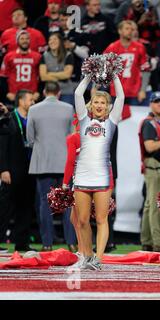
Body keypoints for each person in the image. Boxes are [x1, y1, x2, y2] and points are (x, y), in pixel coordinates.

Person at [73, 73, 124, 270]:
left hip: (102, 177)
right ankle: (86, 255)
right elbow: (78, 93)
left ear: (108, 106)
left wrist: (114, 76)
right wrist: (87, 75)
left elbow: (121, 97)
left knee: (102, 219)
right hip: (83, 176)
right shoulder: (84, 120)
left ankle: (98, 258)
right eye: (96, 102)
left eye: (103, 102)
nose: (100, 105)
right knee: (83, 220)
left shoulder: (112, 123)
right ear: (91, 104)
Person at [26, 81, 76, 252]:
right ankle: (71, 242)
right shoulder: (68, 108)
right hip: (65, 164)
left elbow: (30, 139)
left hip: (43, 162)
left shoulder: (33, 109)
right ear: (59, 93)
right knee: (68, 203)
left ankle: (47, 243)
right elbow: (73, 138)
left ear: (44, 91)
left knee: (44, 203)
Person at [0, 90, 37, 252]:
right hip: (12, 170)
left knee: (26, 207)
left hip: (30, 169)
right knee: (5, 207)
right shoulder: (8, 118)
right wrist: (3, 169)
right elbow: (2, 146)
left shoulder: (34, 119)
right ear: (21, 101)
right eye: (30, 100)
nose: (33, 103)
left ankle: (21, 242)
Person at [139, 91, 160, 252]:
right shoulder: (149, 123)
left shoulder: (159, 122)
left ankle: (147, 240)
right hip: (154, 166)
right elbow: (149, 146)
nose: (159, 104)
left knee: (149, 205)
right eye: (156, 101)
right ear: (150, 104)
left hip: (155, 166)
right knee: (157, 206)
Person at [104, 20, 151, 106]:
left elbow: (146, 70)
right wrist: (94, 88)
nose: (130, 31)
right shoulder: (112, 47)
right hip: (116, 92)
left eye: (132, 29)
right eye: (127, 29)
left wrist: (143, 90)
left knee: (134, 118)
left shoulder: (140, 47)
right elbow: (102, 68)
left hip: (134, 92)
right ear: (119, 31)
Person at [62, 116, 87, 266]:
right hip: (93, 178)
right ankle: (82, 250)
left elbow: (70, 161)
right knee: (75, 218)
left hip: (81, 180)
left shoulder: (74, 138)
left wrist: (65, 183)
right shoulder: (95, 139)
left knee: (80, 219)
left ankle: (84, 252)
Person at [0, 30, 41, 103]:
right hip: (14, 95)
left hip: (31, 95)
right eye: (22, 39)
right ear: (17, 41)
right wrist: (7, 93)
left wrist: (38, 92)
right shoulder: (8, 56)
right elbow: (3, 77)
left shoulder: (37, 56)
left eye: (27, 38)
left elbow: (41, 76)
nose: (25, 41)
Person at [39, 32, 75, 105]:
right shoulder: (45, 56)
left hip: (66, 90)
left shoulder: (68, 55)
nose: (52, 42)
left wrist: (49, 74)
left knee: (66, 114)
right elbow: (43, 77)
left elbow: (67, 74)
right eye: (50, 40)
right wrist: (60, 76)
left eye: (55, 39)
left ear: (60, 41)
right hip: (50, 91)